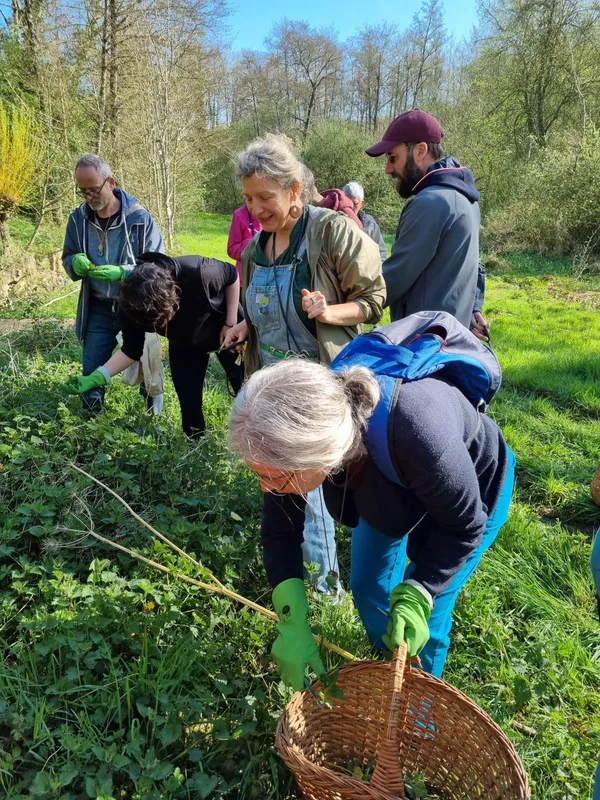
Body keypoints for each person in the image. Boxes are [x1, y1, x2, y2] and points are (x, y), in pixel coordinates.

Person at [228, 340, 516, 690]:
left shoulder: (417, 430)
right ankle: (393, 662)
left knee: (430, 614)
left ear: (320, 458)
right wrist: (292, 618)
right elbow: (280, 530)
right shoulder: (302, 434)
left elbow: (464, 528)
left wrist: (421, 590)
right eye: (259, 475)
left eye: (271, 477)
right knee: (367, 585)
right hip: (388, 487)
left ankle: (420, 702)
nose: (267, 488)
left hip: (469, 498)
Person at [223, 134, 385, 594]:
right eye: (248, 198)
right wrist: (243, 330)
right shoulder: (255, 251)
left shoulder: (331, 231)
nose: (255, 208)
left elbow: (374, 300)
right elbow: (261, 312)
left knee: (312, 493)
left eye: (265, 197)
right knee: (284, 487)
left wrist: (328, 312)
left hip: (322, 390)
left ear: (294, 189)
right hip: (273, 392)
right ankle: (304, 580)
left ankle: (328, 592)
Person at [63, 253, 243, 438]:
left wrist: (231, 323)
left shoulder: (199, 271)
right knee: (189, 403)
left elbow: (232, 275)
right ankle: (196, 444)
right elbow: (131, 350)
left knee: (246, 385)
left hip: (226, 328)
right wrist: (97, 377)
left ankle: (254, 439)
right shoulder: (130, 306)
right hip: (184, 343)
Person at [366, 109, 488, 333]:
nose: (388, 169)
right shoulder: (467, 199)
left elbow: (394, 278)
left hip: (422, 345)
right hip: (449, 339)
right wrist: (473, 306)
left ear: (420, 150)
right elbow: (473, 266)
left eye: (393, 157)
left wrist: (344, 302)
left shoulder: (430, 203)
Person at [62, 154, 164, 414]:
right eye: (82, 191)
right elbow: (67, 256)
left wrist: (124, 272)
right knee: (93, 366)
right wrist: (74, 262)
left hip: (136, 306)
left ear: (111, 182)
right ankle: (91, 422)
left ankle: (152, 418)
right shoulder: (77, 220)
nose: (88, 197)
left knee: (147, 362)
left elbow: (159, 267)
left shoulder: (140, 218)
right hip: (98, 306)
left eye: (93, 189)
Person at [343, 181, 387, 261]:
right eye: (347, 203)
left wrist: (379, 271)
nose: (350, 207)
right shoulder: (336, 222)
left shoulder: (370, 224)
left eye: (355, 203)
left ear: (362, 203)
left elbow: (381, 252)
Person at [227, 205, 262, 281]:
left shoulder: (274, 213)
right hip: (245, 279)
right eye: (249, 199)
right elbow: (232, 250)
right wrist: (252, 243)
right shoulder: (239, 214)